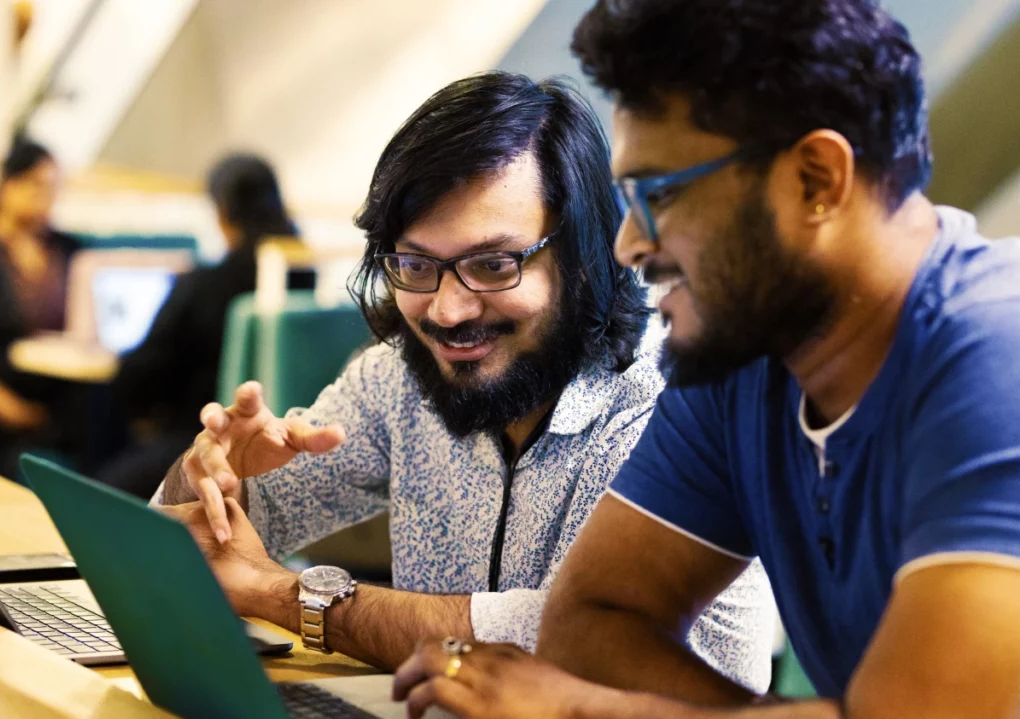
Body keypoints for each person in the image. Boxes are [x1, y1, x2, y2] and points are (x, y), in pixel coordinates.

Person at [392, 2, 1020, 718]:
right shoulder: (746, 360)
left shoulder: (999, 353)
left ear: (816, 179)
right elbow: (592, 621)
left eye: (659, 194)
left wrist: (581, 710)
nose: (628, 243)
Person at [155, 72, 776, 685]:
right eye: (416, 265)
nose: (448, 312)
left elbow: (574, 642)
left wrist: (289, 598)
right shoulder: (400, 379)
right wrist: (203, 476)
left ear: (585, 258)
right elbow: (192, 547)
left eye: (493, 264)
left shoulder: (668, 400)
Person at [97, 153, 311, 498]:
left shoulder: (206, 285)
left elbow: (141, 376)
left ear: (223, 211)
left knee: (98, 486)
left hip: (204, 442)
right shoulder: (307, 276)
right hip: (291, 447)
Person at [0, 139, 78, 479]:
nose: (46, 196)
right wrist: (8, 407)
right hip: (5, 400)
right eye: (36, 185)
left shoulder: (68, 248)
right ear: (7, 186)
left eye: (53, 187)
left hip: (62, 393)